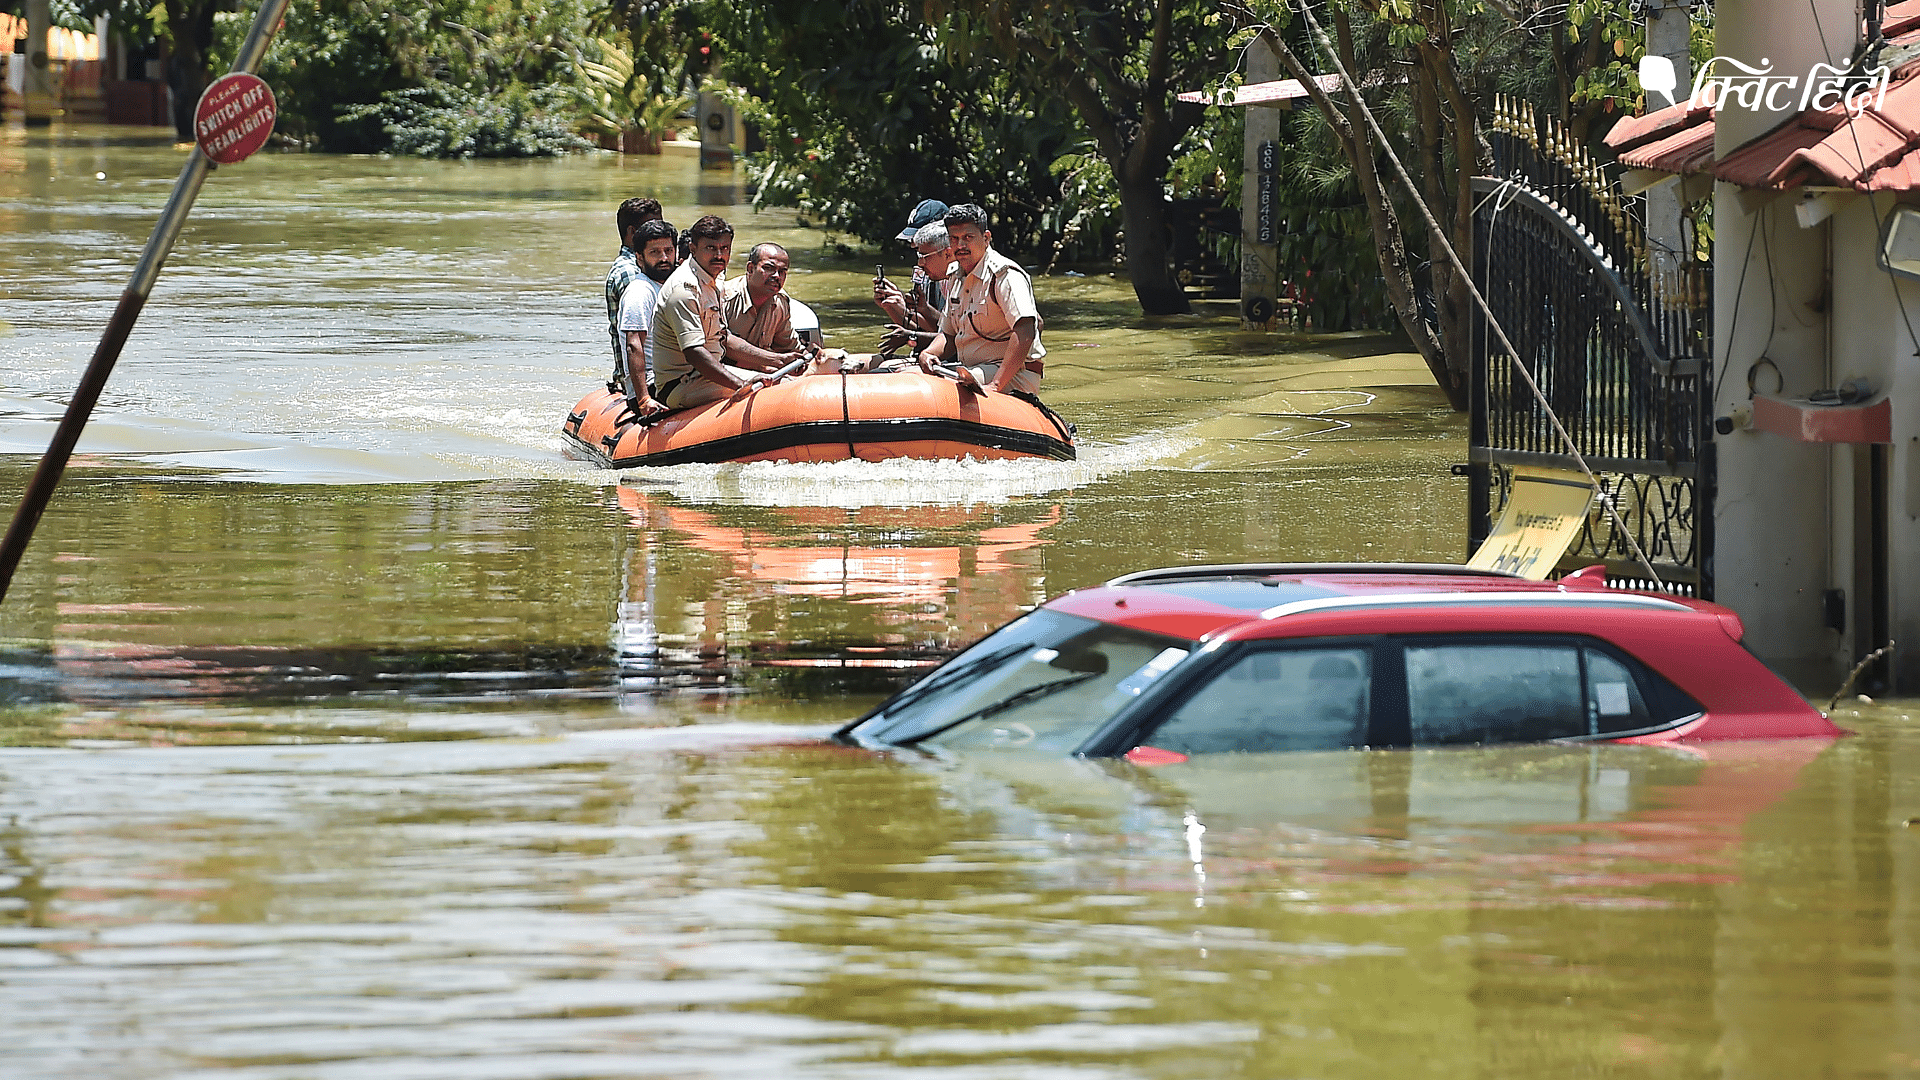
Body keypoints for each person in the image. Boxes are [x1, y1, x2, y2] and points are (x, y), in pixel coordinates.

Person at [651, 215, 787, 408]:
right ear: (693, 249)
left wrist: (778, 359)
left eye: (724, 249)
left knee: (783, 380)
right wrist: (740, 384)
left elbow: (724, 338)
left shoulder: (714, 280)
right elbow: (694, 352)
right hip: (681, 384)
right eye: (711, 248)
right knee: (771, 391)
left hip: (706, 376)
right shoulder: (684, 290)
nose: (719, 255)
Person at [916, 203, 1045, 396]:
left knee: (942, 390)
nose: (960, 246)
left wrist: (995, 385)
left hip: (1014, 374)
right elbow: (949, 335)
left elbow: (1026, 330)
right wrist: (928, 353)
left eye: (968, 238)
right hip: (971, 369)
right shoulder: (955, 276)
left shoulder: (1005, 275)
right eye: (954, 239)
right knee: (912, 376)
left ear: (986, 238)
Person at [612, 218, 679, 415]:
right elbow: (634, 345)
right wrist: (643, 400)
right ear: (639, 258)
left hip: (672, 376)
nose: (664, 258)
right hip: (652, 384)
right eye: (655, 252)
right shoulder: (640, 292)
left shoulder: (673, 287)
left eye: (668, 251)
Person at [877, 221, 956, 354]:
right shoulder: (942, 277)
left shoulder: (961, 280)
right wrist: (893, 306)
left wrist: (912, 336)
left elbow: (953, 339)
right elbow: (944, 330)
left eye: (923, 256)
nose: (919, 263)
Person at [604, 197, 662, 362]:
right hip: (641, 375)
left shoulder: (649, 267)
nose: (661, 231)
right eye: (653, 227)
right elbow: (635, 342)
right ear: (632, 232)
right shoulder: (629, 272)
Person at [723, 243, 802, 358]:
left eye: (782, 271)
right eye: (769, 268)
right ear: (750, 269)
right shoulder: (724, 299)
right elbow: (720, 346)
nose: (776, 276)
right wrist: (769, 362)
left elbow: (789, 347)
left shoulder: (780, 302)